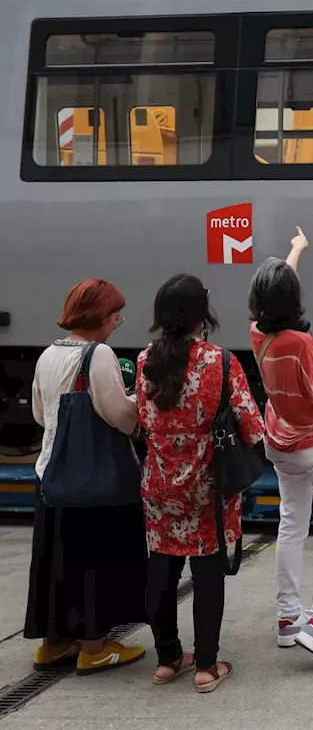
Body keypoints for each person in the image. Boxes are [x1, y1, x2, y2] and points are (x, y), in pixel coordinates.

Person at [136, 274, 266, 692]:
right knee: (208, 571)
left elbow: (144, 418)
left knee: (162, 566)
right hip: (208, 485)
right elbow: (253, 427)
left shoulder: (144, 361)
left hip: (159, 483)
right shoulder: (220, 362)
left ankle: (167, 659)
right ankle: (207, 666)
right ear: (201, 314)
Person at [25, 279, 149, 675]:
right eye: (115, 316)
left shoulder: (47, 354)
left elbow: (40, 415)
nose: (116, 323)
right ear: (98, 317)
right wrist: (137, 408)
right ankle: (94, 647)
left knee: (57, 561)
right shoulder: (99, 355)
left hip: (52, 476)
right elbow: (119, 415)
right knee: (95, 562)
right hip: (95, 483)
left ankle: (52, 644)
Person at [249, 226, 313, 668]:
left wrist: (295, 250)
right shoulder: (303, 344)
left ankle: (289, 619)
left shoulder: (260, 333)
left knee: (292, 523)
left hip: (281, 443)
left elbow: (278, 293)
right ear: (295, 304)